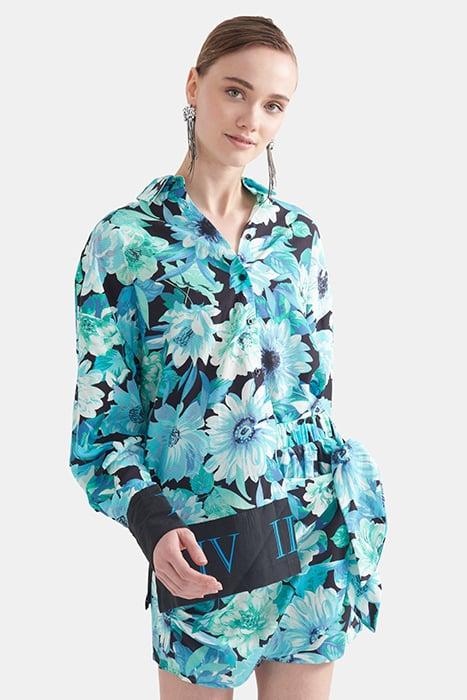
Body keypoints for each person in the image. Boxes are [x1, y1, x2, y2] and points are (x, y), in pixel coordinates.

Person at [69, 14, 388, 700]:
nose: (251, 119)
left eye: (274, 104)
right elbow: (101, 427)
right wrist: (153, 526)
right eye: (235, 91)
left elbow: (312, 402)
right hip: (202, 550)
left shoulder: (298, 237)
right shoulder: (125, 242)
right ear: (194, 86)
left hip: (314, 542)